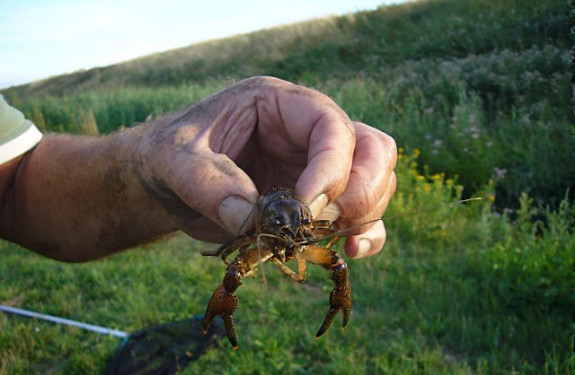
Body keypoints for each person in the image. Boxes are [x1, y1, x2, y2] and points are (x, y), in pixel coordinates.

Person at [0, 76, 396, 262]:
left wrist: (161, 171)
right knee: (234, 271)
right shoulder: (256, 228)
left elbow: (12, 186)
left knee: (337, 263)